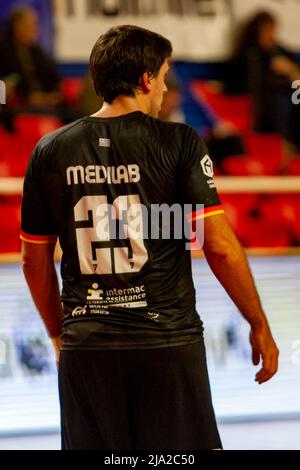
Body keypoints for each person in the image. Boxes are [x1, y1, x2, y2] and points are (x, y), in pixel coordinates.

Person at [21, 25, 279, 451]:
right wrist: (258, 322)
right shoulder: (178, 141)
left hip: (87, 347)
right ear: (145, 79)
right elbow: (217, 244)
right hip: (167, 343)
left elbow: (34, 260)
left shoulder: (49, 150)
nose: (164, 88)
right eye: (162, 76)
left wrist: (58, 335)